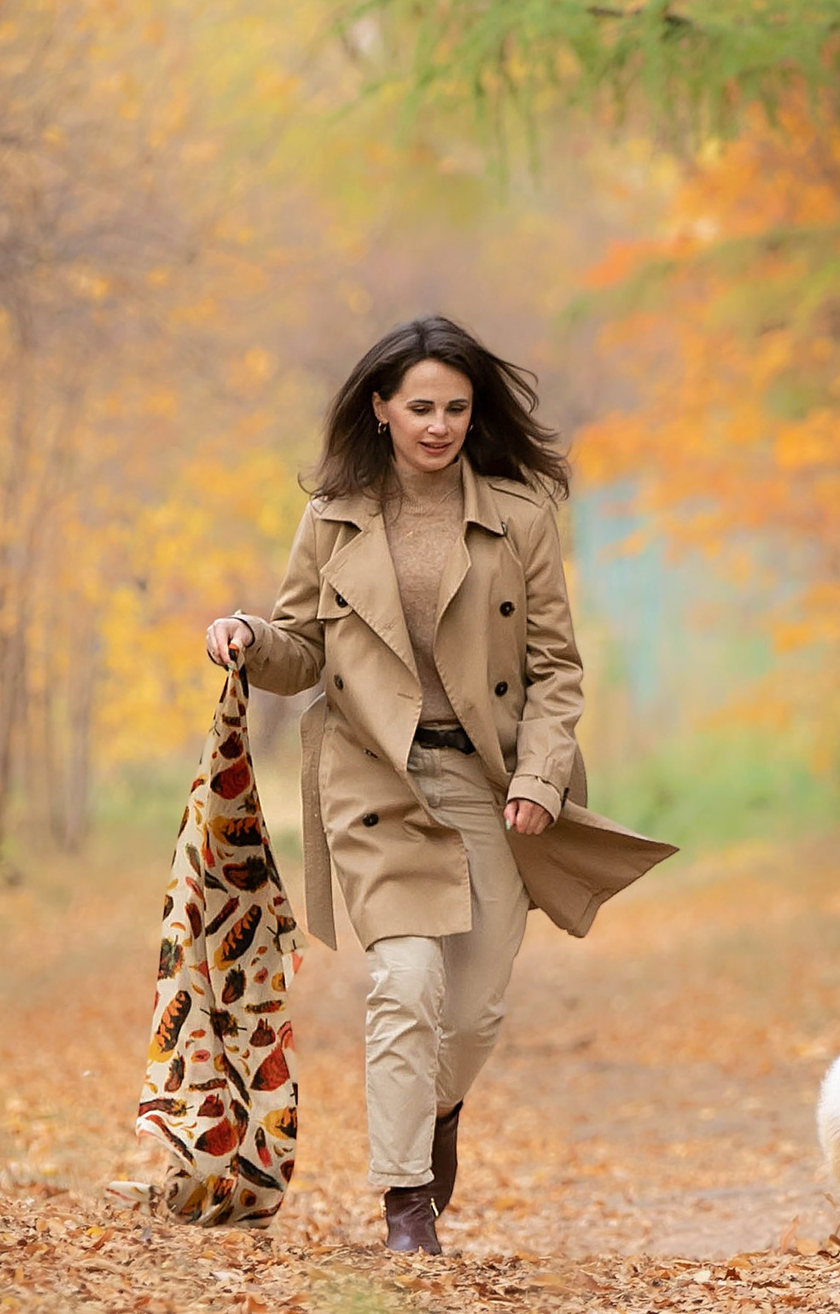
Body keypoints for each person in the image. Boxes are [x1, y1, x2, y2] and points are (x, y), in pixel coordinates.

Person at [204, 315, 673, 1255]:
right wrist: (252, 639)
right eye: (419, 406)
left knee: (474, 1011)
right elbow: (303, 654)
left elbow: (556, 668)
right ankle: (405, 1199)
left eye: (456, 407)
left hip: (487, 781)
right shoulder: (331, 519)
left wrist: (540, 774)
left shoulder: (519, 515)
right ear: (379, 409)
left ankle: (438, 1107)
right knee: (405, 980)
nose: (438, 424)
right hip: (373, 778)